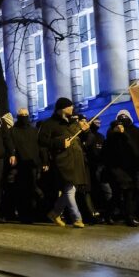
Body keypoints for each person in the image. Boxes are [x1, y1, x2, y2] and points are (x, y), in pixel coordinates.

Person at [38, 97, 91, 228]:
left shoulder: (72, 123)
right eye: (69, 106)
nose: (72, 108)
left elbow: (80, 138)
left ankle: (54, 213)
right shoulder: (49, 124)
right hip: (62, 161)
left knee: (71, 189)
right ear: (62, 108)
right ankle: (77, 218)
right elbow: (42, 142)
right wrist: (59, 143)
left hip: (75, 160)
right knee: (69, 189)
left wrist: (86, 130)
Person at [103, 111, 139, 226]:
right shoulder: (111, 137)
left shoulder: (130, 134)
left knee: (128, 193)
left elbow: (135, 148)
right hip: (116, 169)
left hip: (129, 168)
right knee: (118, 193)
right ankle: (110, 214)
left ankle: (128, 217)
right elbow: (107, 153)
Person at [10, 108, 43, 223]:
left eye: (26, 114)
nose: (24, 116)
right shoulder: (13, 131)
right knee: (22, 191)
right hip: (20, 166)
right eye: (21, 115)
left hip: (32, 164)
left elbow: (37, 147)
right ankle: (23, 214)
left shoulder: (34, 131)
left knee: (31, 190)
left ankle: (31, 214)